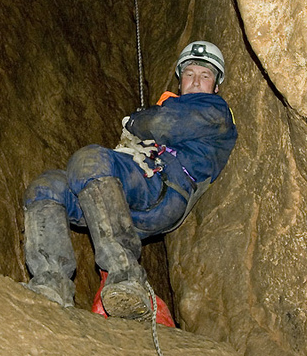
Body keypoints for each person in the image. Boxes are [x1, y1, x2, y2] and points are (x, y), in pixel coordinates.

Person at [22, 41, 237, 320]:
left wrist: (136, 121)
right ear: (180, 79)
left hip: (164, 190)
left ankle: (125, 276)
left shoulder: (216, 111)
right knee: (47, 186)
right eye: (189, 73)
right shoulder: (170, 106)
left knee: (90, 159)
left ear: (216, 85)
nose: (196, 81)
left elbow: (161, 125)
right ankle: (50, 283)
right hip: (126, 195)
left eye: (205, 75)